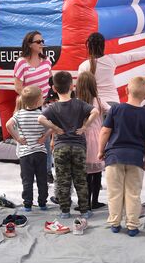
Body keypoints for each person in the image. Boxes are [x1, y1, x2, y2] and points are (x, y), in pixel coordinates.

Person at [98, 76, 145, 236]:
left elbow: (105, 131)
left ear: (126, 90)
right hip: (136, 159)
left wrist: (101, 150)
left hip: (114, 157)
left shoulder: (116, 109)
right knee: (133, 193)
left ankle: (115, 223)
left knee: (114, 192)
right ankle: (132, 225)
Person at [39, 71, 99, 219]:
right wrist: (85, 127)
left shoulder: (53, 107)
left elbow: (40, 118)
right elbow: (96, 111)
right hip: (79, 147)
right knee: (80, 179)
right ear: (72, 87)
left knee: (62, 180)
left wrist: (55, 128)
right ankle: (85, 210)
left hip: (60, 148)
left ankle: (65, 211)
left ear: (54, 88)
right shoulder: (79, 104)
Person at [14, 31, 54, 182]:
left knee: (45, 140)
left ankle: (47, 171)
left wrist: (50, 98)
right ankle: (26, 169)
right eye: (38, 41)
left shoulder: (47, 61)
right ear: (30, 44)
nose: (41, 43)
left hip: (44, 106)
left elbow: (51, 82)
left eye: (42, 40)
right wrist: (31, 98)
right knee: (27, 139)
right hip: (28, 107)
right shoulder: (21, 62)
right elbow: (17, 86)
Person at [78, 32, 145, 105]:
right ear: (103, 46)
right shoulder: (112, 59)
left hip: (94, 105)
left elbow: (81, 89)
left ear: (88, 47)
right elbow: (132, 57)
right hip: (113, 103)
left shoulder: (83, 66)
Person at [7, 86, 51, 212]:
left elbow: (8, 125)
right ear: (38, 101)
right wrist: (45, 137)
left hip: (25, 154)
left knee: (27, 180)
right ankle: (42, 203)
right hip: (40, 152)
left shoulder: (19, 114)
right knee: (42, 179)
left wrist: (17, 138)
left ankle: (27, 204)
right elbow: (53, 126)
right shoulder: (42, 115)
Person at [76, 71, 110, 210]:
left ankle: (85, 203)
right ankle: (94, 201)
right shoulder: (99, 100)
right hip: (98, 137)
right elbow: (112, 110)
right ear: (93, 85)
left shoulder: (77, 101)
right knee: (96, 173)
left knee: (83, 174)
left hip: (82, 137)